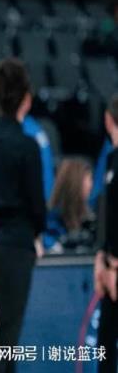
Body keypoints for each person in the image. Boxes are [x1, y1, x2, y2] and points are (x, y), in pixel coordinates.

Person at [0, 58, 46, 373]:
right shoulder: (28, 146)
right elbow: (37, 203)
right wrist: (38, 234)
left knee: (5, 336)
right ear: (26, 99)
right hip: (19, 245)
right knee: (6, 337)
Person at [94, 94, 118, 373]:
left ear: (108, 120)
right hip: (110, 266)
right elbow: (107, 213)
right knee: (105, 347)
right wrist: (101, 258)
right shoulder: (111, 159)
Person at [43, 157, 95, 253]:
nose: (91, 185)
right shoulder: (51, 219)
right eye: (89, 179)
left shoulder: (90, 218)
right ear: (75, 183)